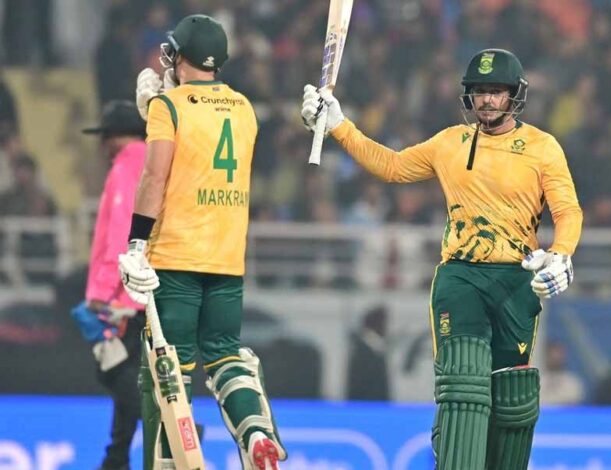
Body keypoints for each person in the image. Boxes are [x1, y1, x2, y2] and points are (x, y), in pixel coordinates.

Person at [302, 48, 583, 470]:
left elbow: (568, 211)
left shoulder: (543, 148)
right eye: (480, 91)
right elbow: (393, 166)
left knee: (512, 400)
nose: (487, 100)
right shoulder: (451, 142)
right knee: (463, 385)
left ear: (514, 95)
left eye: (496, 91)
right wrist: (340, 126)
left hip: (517, 279)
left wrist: (561, 255)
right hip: (460, 278)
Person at [119, 14, 286, 470]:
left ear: (181, 56)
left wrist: (136, 244)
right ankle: (256, 433)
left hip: (175, 256)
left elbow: (156, 176)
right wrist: (158, 108)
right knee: (226, 356)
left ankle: (171, 464)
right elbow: (204, 148)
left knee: (170, 374)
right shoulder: (244, 108)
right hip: (227, 259)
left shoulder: (169, 107)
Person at [71, 100, 147, 470]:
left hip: (122, 296)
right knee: (130, 370)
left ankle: (168, 426)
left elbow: (120, 233)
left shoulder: (126, 167)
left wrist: (101, 294)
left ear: (116, 137)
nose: (101, 146)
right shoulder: (153, 163)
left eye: (104, 137)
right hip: (147, 288)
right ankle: (115, 458)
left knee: (113, 370)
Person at [540, 341, 585, 406]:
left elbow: (574, 403)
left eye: (558, 354)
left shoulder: (573, 383)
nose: (555, 358)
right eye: (552, 355)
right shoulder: (538, 381)